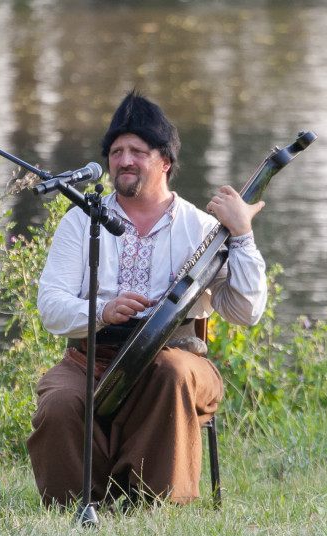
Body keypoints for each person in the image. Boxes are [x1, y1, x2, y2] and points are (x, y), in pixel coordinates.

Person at [26, 90, 268, 508]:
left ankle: (158, 501)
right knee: (61, 402)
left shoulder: (201, 228)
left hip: (180, 355)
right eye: (116, 151)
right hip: (91, 358)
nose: (124, 160)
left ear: (165, 162)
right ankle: (81, 503)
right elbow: (50, 304)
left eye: (138, 150)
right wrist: (101, 311)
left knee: (170, 373)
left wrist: (242, 234)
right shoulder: (82, 220)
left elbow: (246, 311)